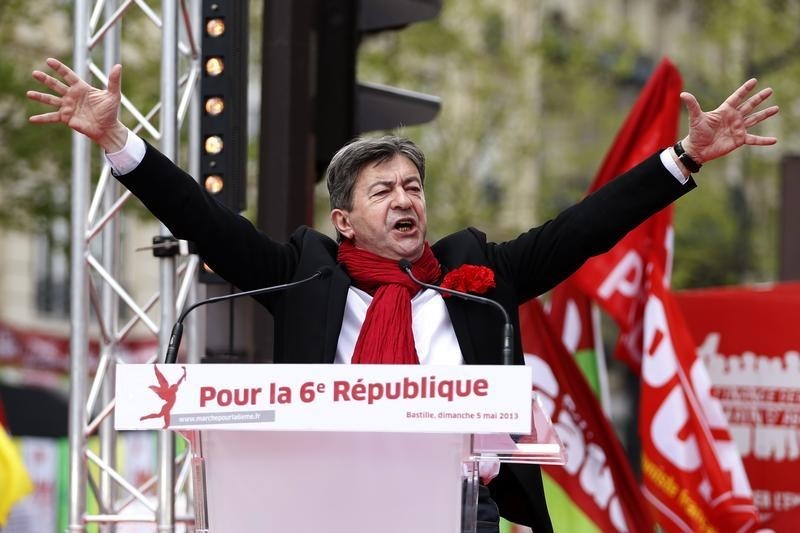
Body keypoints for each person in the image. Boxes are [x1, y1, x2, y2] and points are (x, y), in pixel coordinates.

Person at [27, 57, 778, 532]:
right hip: (320, 507)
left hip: (464, 509)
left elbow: (586, 228)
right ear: (346, 219)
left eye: (413, 186)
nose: (404, 198)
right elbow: (204, 220)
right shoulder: (305, 277)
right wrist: (119, 142)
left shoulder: (478, 276)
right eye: (382, 189)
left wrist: (682, 158)